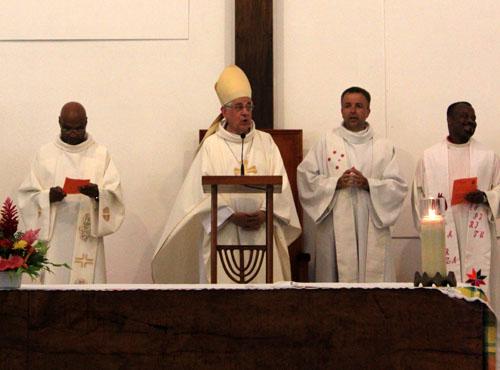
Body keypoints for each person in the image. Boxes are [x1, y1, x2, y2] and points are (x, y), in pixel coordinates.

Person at [152, 65, 301, 283]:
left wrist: (265, 212)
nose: (245, 112)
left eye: (248, 106)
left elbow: (282, 188)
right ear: (224, 111)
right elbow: (198, 196)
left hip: (263, 230)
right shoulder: (212, 146)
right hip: (224, 233)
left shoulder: (266, 143)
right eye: (239, 107)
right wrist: (230, 215)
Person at [297, 87, 407, 282]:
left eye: (359, 106)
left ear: (368, 111)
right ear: (341, 110)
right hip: (334, 226)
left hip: (371, 222)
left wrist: (369, 185)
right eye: (347, 106)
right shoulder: (326, 142)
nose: (353, 111)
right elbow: (306, 177)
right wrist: (335, 184)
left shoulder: (383, 145)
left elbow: (397, 186)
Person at [17, 102, 125, 284]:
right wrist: (48, 197)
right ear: (59, 122)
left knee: (89, 299)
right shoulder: (45, 154)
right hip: (55, 238)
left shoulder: (100, 154)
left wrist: (97, 194)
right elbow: (27, 196)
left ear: (86, 123)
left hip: (88, 236)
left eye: (79, 128)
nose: (73, 133)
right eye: (67, 128)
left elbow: (115, 196)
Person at [412, 101, 500, 304]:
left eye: (473, 118)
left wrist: (486, 197)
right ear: (449, 120)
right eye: (464, 117)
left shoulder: (488, 157)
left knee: (477, 286)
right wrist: (427, 229)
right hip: (441, 236)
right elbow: (418, 199)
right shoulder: (429, 158)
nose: (470, 121)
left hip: (477, 234)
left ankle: (479, 333)